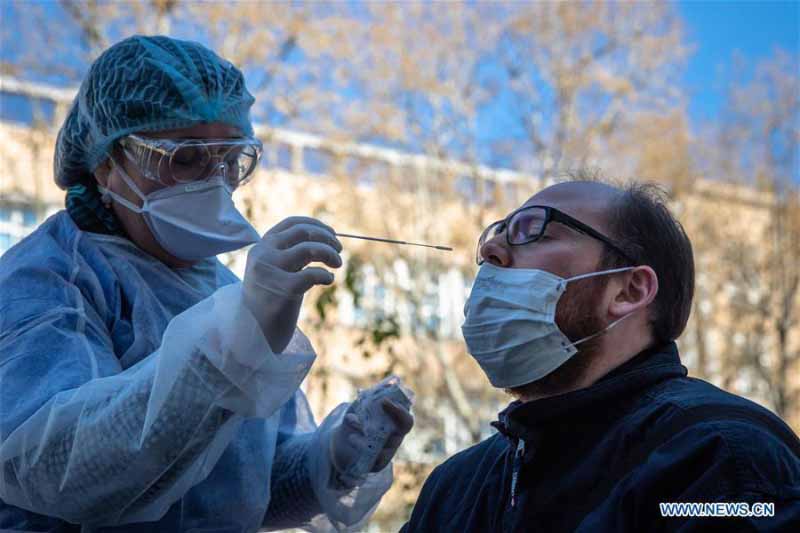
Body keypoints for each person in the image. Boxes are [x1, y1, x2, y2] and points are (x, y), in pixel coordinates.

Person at [0, 35, 413, 533]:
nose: (213, 182)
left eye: (231, 160)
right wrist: (232, 342)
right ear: (107, 165)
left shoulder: (223, 291)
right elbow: (61, 472)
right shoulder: (49, 279)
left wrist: (338, 456)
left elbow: (247, 492)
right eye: (186, 157)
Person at [402, 179, 800, 532]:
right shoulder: (454, 487)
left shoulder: (715, 454)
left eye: (533, 230)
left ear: (628, 291)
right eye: (497, 232)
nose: (491, 249)